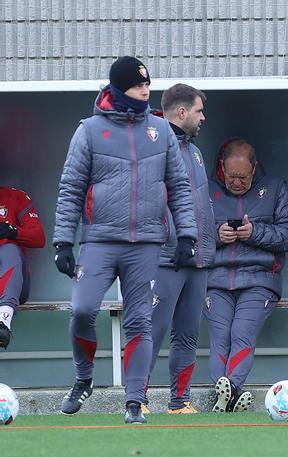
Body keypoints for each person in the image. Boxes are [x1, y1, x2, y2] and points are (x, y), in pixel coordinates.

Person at [53, 56, 197, 424]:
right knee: (83, 310)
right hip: (99, 241)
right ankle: (84, 379)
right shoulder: (88, 130)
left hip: (147, 244)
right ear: (118, 89)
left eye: (147, 85)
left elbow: (180, 188)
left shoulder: (161, 131)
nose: (145, 91)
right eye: (137, 86)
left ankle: (134, 403)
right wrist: (63, 242)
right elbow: (71, 188)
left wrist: (187, 234)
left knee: (139, 322)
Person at [203, 138, 288, 412]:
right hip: (215, 280)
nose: (236, 183)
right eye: (231, 176)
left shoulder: (274, 188)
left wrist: (255, 233)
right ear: (222, 167)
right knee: (220, 335)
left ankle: (229, 390)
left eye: (243, 177)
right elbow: (184, 234)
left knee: (242, 332)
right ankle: (230, 395)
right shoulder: (205, 189)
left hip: (259, 279)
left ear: (254, 168)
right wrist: (216, 236)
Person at [143, 83, 214, 414]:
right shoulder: (153, 146)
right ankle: (136, 400)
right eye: (199, 111)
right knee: (151, 331)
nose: (204, 117)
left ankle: (179, 401)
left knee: (187, 336)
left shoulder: (196, 152)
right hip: (165, 258)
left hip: (198, 260)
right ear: (182, 112)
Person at [0, 186, 46, 349]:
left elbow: (39, 238)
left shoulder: (14, 196)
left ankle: (3, 323)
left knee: (10, 249)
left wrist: (12, 232)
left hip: (13, 285)